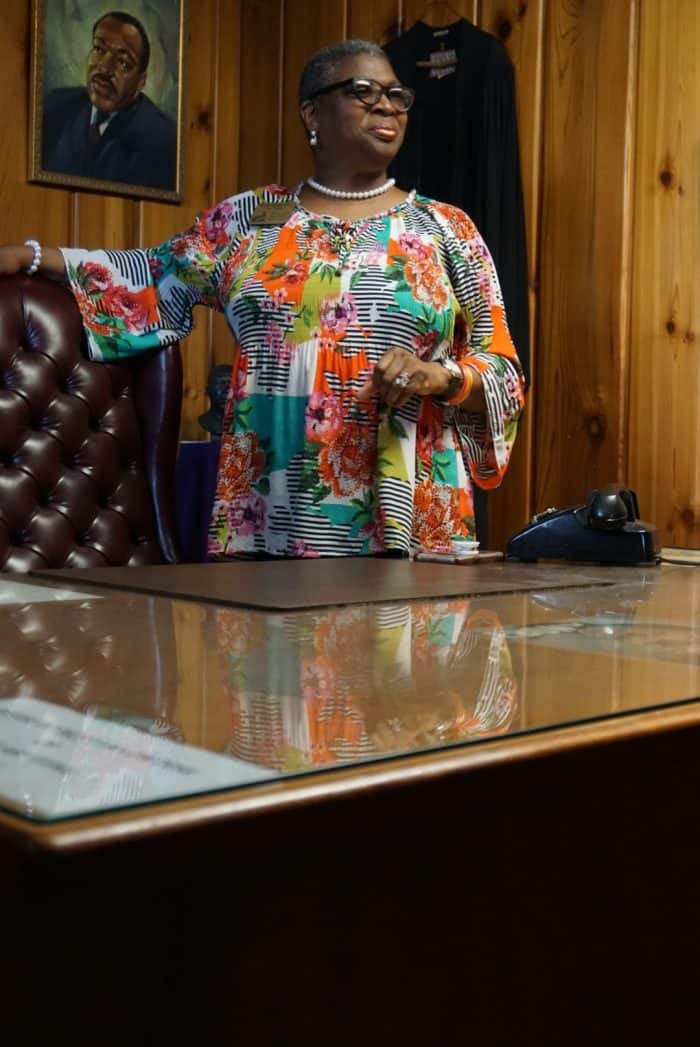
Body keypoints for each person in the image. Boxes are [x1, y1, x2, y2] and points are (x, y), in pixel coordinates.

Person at [1, 39, 524, 560]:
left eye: (396, 94)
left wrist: (441, 376)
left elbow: (504, 376)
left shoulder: (445, 229)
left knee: (404, 643)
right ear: (311, 111)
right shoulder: (247, 221)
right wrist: (27, 257)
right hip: (271, 514)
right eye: (363, 91)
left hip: (407, 518)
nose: (386, 105)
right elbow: (151, 276)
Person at [42, 10, 177, 191]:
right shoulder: (53, 106)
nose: (104, 67)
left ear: (141, 81)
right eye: (99, 49)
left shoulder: (164, 141)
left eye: (123, 62)